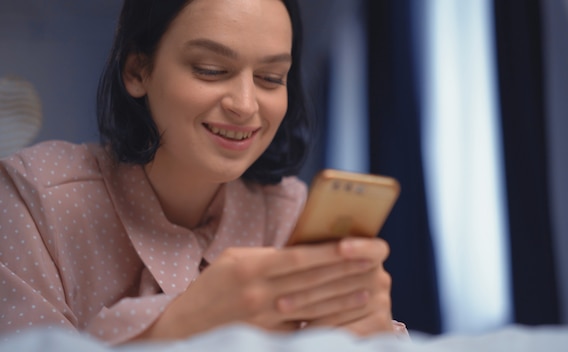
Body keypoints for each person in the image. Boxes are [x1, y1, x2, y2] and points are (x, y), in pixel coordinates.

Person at [0, 0, 406, 345]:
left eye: (270, 78)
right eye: (211, 69)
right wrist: (173, 328)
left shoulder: (289, 213)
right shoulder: (33, 199)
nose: (245, 105)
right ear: (137, 71)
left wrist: (371, 338)